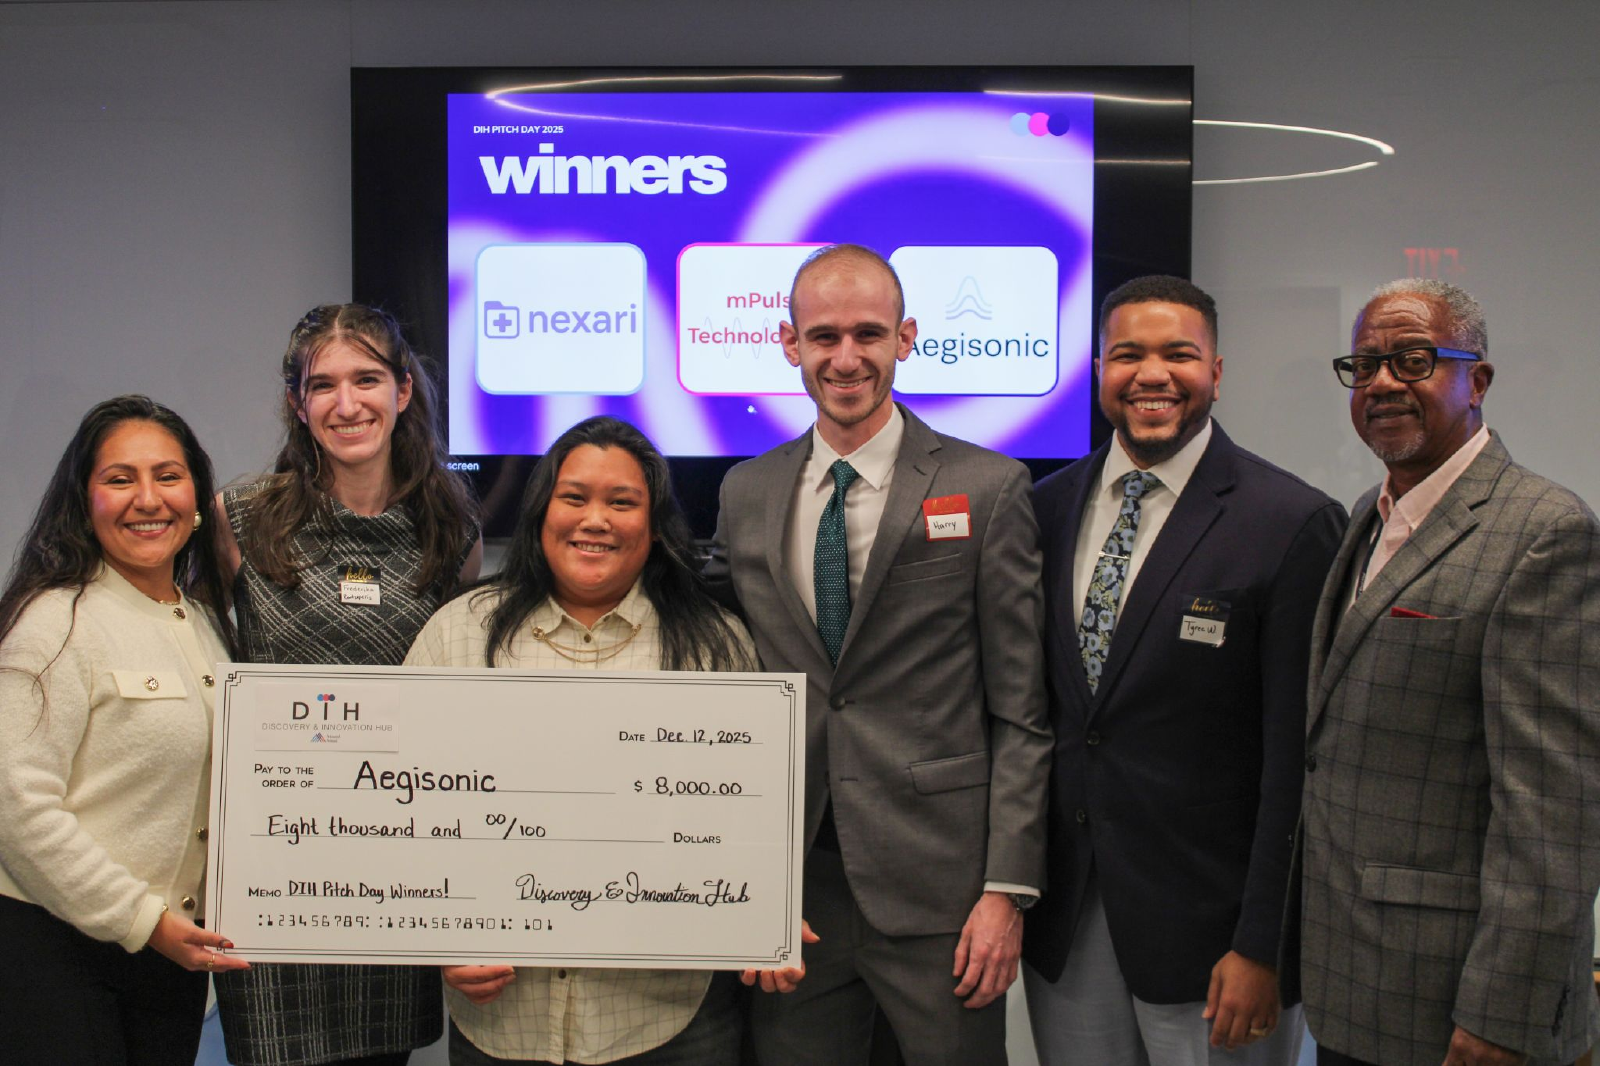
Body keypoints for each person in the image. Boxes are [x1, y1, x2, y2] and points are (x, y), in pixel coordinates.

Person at [704, 243, 1052, 1065]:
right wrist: (743, 880)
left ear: (907, 338)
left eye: (868, 333)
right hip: (798, 886)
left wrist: (1007, 890)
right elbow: (726, 692)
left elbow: (1023, 711)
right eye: (824, 337)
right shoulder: (745, 491)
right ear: (789, 344)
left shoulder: (990, 486)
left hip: (943, 888)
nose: (846, 357)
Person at [1019, 276, 1345, 1066]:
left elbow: (1298, 760)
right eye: (1128, 354)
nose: (1153, 375)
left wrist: (1264, 943)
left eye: (1179, 355)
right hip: (1071, 919)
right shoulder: (1043, 508)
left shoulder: (1290, 521)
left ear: (1216, 373)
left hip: (1217, 938)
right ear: (1100, 371)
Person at [404, 414, 784, 1065]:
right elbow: (401, 814)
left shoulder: (714, 646)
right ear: (541, 513)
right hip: (505, 1022)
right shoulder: (458, 635)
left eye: (623, 502)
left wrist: (767, 910)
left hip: (668, 1022)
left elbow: (753, 818)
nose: (595, 520)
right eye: (574, 497)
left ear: (655, 525)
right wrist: (439, 941)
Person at [1297, 279, 1600, 1066]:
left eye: (1413, 360)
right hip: (1354, 980)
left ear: (1479, 381)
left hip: (1461, 1008)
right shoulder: (1368, 514)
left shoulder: (1545, 532)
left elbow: (1554, 811)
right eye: (1365, 366)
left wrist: (1503, 1015)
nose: (1382, 383)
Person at [213, 303, 481, 1066]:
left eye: (366, 378)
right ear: (298, 404)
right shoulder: (239, 518)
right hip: (273, 866)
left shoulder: (452, 533)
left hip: (397, 861)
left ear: (403, 390)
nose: (347, 403)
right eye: (322, 385)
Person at [0, 395, 252, 1064]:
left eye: (168, 476)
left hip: (166, 962)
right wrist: (143, 921)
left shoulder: (207, 624)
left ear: (196, 498)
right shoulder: (54, 622)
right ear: (84, 502)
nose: (148, 499)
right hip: (58, 955)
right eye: (120, 479)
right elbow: (16, 807)